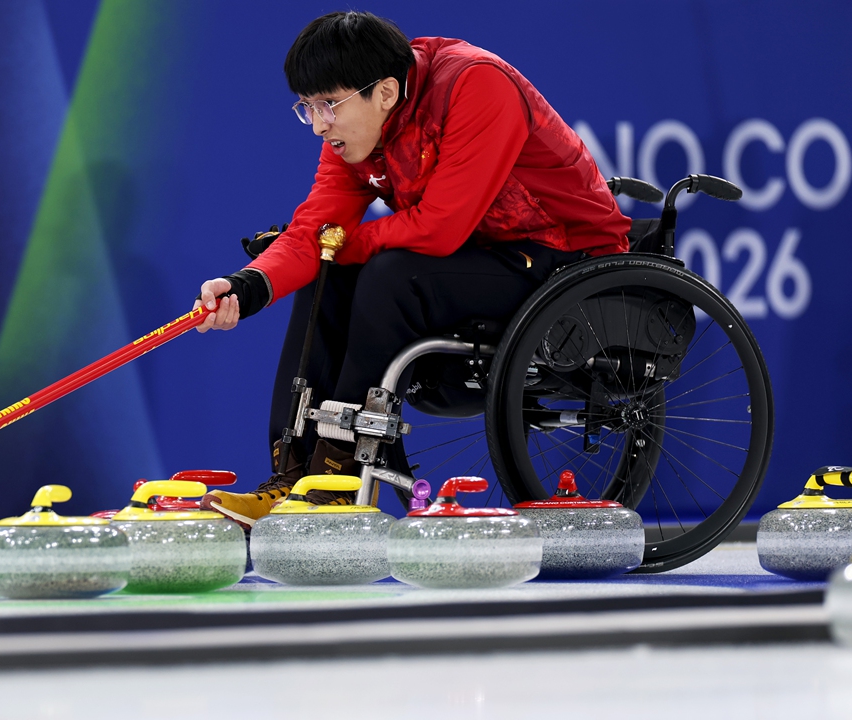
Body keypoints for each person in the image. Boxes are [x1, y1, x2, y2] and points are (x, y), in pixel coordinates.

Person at [194, 11, 630, 528]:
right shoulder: (352, 139)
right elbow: (316, 232)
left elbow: (438, 228)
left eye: (329, 104)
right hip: (477, 257)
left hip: (565, 258)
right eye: (307, 107)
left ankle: (339, 477)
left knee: (388, 273)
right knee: (328, 272)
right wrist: (247, 289)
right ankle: (292, 477)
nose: (318, 124)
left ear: (385, 91)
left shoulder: (476, 84)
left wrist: (338, 245)